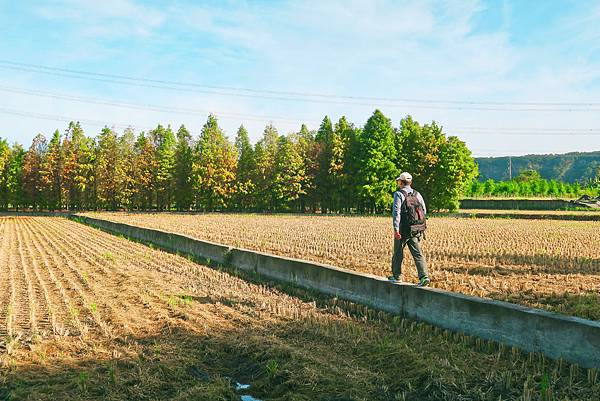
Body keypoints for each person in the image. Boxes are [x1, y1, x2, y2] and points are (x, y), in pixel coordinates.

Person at [389, 172, 430, 287]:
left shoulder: (399, 194)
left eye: (399, 181)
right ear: (410, 182)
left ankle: (397, 276)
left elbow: (396, 213)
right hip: (416, 229)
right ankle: (424, 276)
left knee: (398, 252)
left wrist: (396, 229)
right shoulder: (417, 194)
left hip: (403, 229)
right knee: (418, 253)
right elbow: (424, 211)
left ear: (401, 182)